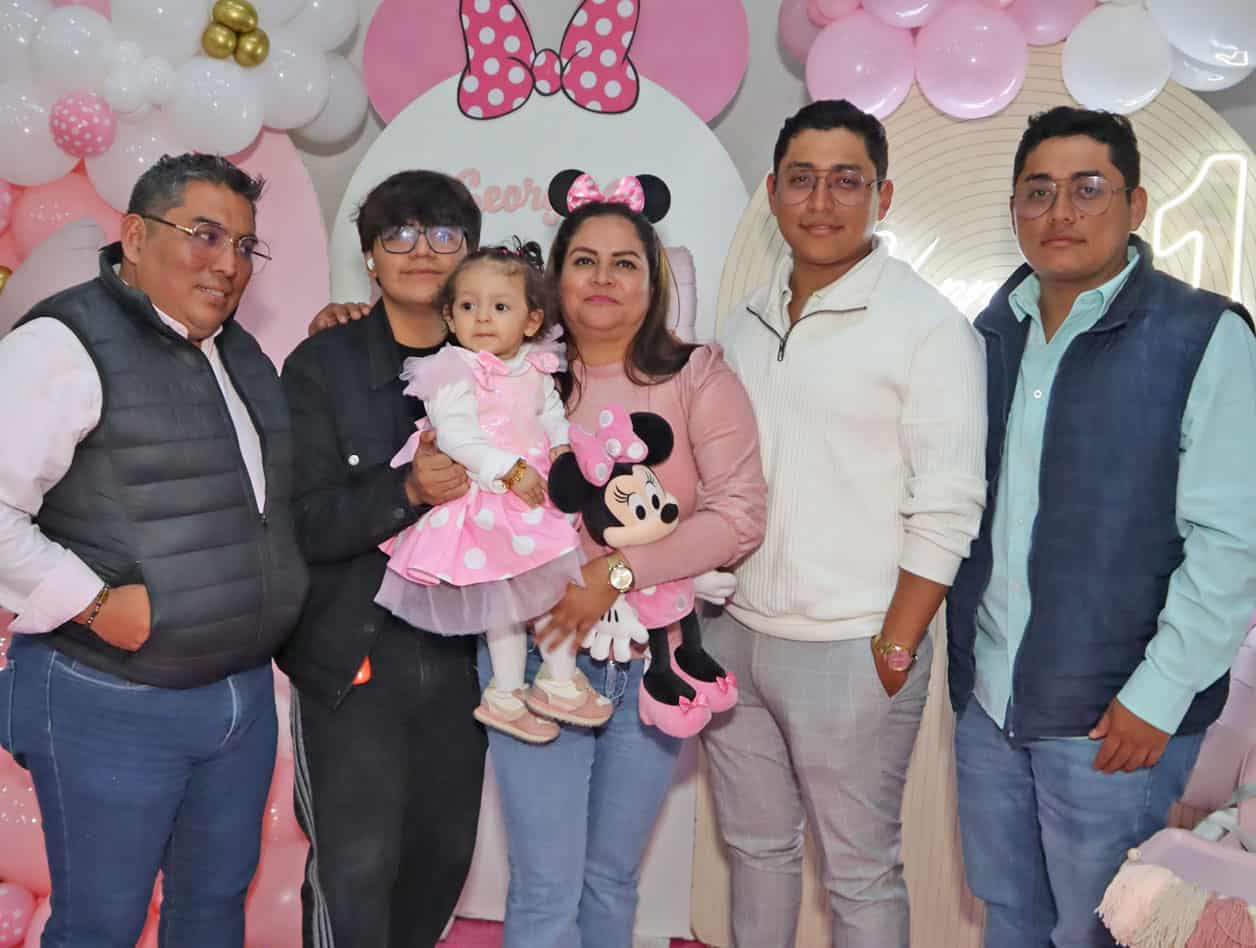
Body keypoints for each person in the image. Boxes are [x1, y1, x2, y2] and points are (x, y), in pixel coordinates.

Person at [946, 106, 1256, 948]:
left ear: (1136, 204)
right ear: (1014, 208)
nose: (1061, 212)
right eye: (1038, 191)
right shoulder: (989, 336)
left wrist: (1157, 698)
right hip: (992, 705)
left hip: (1117, 721)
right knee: (1008, 915)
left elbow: (1231, 546)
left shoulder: (1202, 335)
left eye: (1088, 189)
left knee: (1104, 930)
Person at [0, 153, 309, 947]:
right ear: (135, 237)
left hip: (239, 698)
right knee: (100, 927)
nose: (228, 263)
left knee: (211, 911)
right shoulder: (61, 344)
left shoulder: (240, 353)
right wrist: (94, 603)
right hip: (109, 696)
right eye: (205, 235)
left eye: (243, 245)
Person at [704, 99, 987, 948]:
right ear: (773, 193)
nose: (821, 201)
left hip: (854, 648)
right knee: (755, 852)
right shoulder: (744, 321)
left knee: (860, 874)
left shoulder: (927, 328)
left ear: (882, 196)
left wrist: (895, 646)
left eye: (846, 181)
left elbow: (949, 502)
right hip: (733, 635)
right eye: (802, 179)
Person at [484, 175, 767, 948]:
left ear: (653, 280)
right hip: (540, 655)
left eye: (624, 263)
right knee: (545, 887)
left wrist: (612, 574)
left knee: (612, 878)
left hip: (655, 659)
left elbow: (739, 514)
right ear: (554, 277)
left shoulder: (698, 375)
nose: (603, 278)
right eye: (584, 261)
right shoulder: (515, 377)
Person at [279, 170, 487, 947]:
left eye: (442, 233)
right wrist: (406, 490)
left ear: (469, 252)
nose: (420, 250)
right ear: (369, 256)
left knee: (441, 859)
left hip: (467, 660)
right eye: (398, 233)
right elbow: (302, 522)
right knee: (355, 869)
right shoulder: (321, 366)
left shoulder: (501, 365)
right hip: (355, 654)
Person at [376, 239, 607, 744]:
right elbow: (456, 436)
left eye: (500, 307)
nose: (482, 318)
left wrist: (562, 447)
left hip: (534, 495)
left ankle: (557, 678)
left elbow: (551, 413)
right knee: (501, 605)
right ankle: (505, 692)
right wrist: (508, 469)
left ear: (530, 320)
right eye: (467, 306)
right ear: (449, 317)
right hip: (487, 497)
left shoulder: (536, 366)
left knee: (551, 590)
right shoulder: (453, 371)